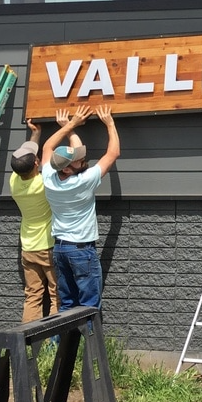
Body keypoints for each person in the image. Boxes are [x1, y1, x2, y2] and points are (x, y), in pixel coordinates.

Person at [41, 104, 120, 311]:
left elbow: (47, 148)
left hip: (60, 249)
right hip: (81, 251)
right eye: (79, 160)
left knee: (67, 304)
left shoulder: (49, 176)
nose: (83, 160)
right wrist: (110, 124)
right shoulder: (83, 181)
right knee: (88, 306)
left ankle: (62, 344)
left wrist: (70, 126)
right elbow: (113, 153)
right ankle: (90, 343)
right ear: (67, 168)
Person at [8, 118, 65, 322]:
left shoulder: (14, 182)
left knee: (32, 296)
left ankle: (29, 342)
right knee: (56, 294)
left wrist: (35, 133)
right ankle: (53, 344)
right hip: (48, 246)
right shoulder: (44, 183)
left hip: (28, 247)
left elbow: (27, 157)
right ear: (37, 163)